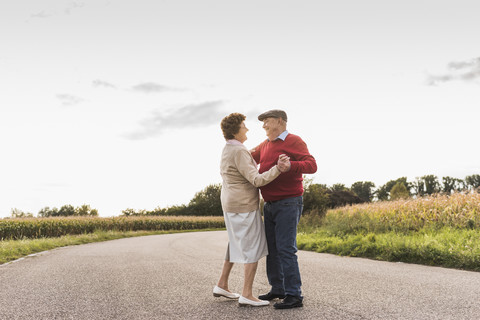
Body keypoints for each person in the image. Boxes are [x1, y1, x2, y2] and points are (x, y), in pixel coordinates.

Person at [213, 113, 291, 307]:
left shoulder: (229, 148)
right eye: (243, 126)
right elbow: (256, 179)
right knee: (253, 247)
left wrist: (251, 153)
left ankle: (222, 283)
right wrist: (278, 169)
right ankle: (247, 294)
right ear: (235, 130)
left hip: (230, 204)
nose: (247, 129)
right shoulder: (239, 151)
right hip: (243, 205)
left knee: (235, 243)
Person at [251, 109, 317, 309]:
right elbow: (245, 156)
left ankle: (294, 295)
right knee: (271, 249)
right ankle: (277, 289)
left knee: (286, 249)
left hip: (289, 202)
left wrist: (291, 166)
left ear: (280, 121)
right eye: (262, 123)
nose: (263, 126)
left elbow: (312, 165)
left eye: (267, 122)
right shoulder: (265, 145)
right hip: (269, 204)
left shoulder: (294, 140)